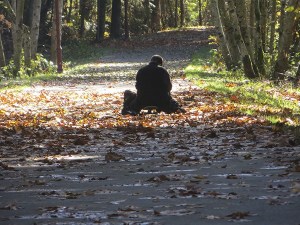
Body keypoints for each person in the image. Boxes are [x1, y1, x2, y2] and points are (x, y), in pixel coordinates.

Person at [121, 55, 185, 115]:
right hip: (161, 100)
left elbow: (137, 86)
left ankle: (129, 110)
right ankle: (175, 108)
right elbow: (169, 87)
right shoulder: (162, 70)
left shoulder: (141, 70)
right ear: (160, 63)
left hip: (142, 100)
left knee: (128, 93)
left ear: (150, 61)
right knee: (174, 105)